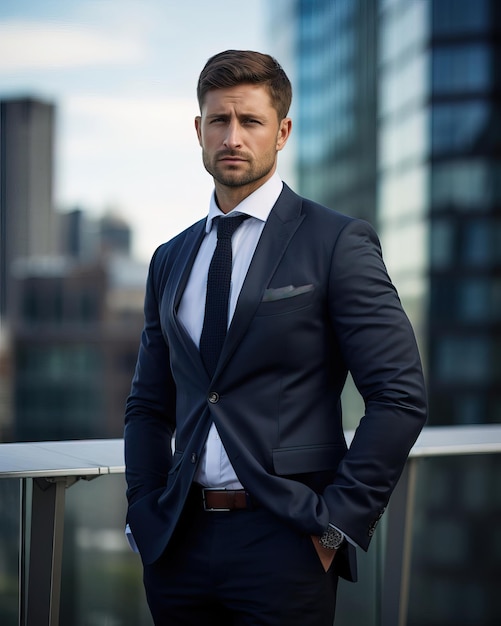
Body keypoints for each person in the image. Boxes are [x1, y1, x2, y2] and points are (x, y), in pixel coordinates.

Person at [124, 49, 427, 625]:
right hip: (177, 544)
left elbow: (400, 395)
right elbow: (147, 405)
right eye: (219, 120)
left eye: (251, 121)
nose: (232, 136)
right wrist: (142, 508)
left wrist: (335, 524)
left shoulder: (337, 242)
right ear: (199, 130)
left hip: (287, 543)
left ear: (282, 131)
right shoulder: (170, 258)